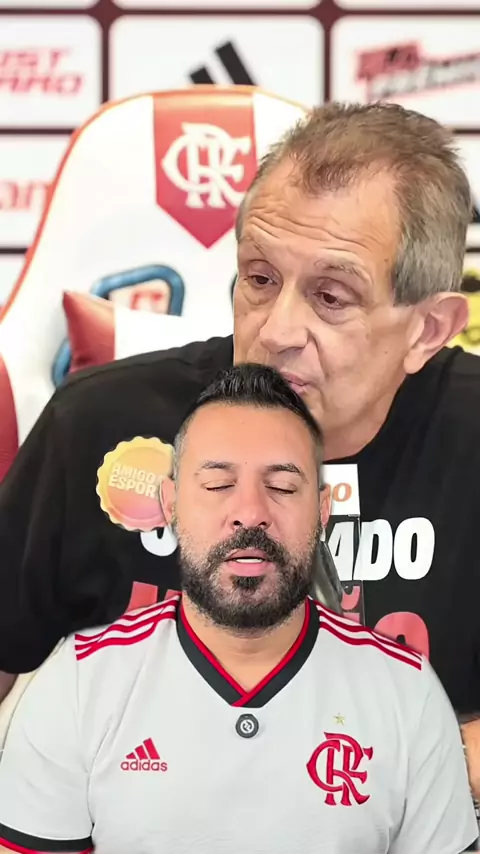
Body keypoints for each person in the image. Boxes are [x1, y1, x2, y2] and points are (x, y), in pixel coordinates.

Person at [1, 100, 480, 803]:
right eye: (259, 279)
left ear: (428, 329)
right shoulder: (98, 425)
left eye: (330, 297)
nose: (276, 330)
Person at [0, 364, 476, 854]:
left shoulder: (406, 692)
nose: (250, 513)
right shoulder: (80, 685)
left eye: (283, 487)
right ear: (171, 504)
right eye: (217, 485)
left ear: (322, 512)